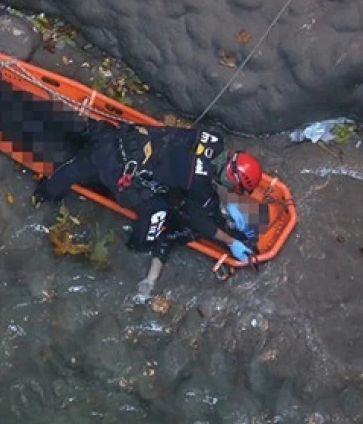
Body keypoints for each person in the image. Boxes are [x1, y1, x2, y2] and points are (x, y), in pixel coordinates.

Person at [31, 118, 263, 298]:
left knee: (89, 156)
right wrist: (232, 242)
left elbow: (186, 154)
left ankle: (48, 186)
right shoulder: (199, 184)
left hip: (122, 136)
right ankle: (137, 243)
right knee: (156, 212)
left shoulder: (214, 138)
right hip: (117, 166)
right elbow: (200, 221)